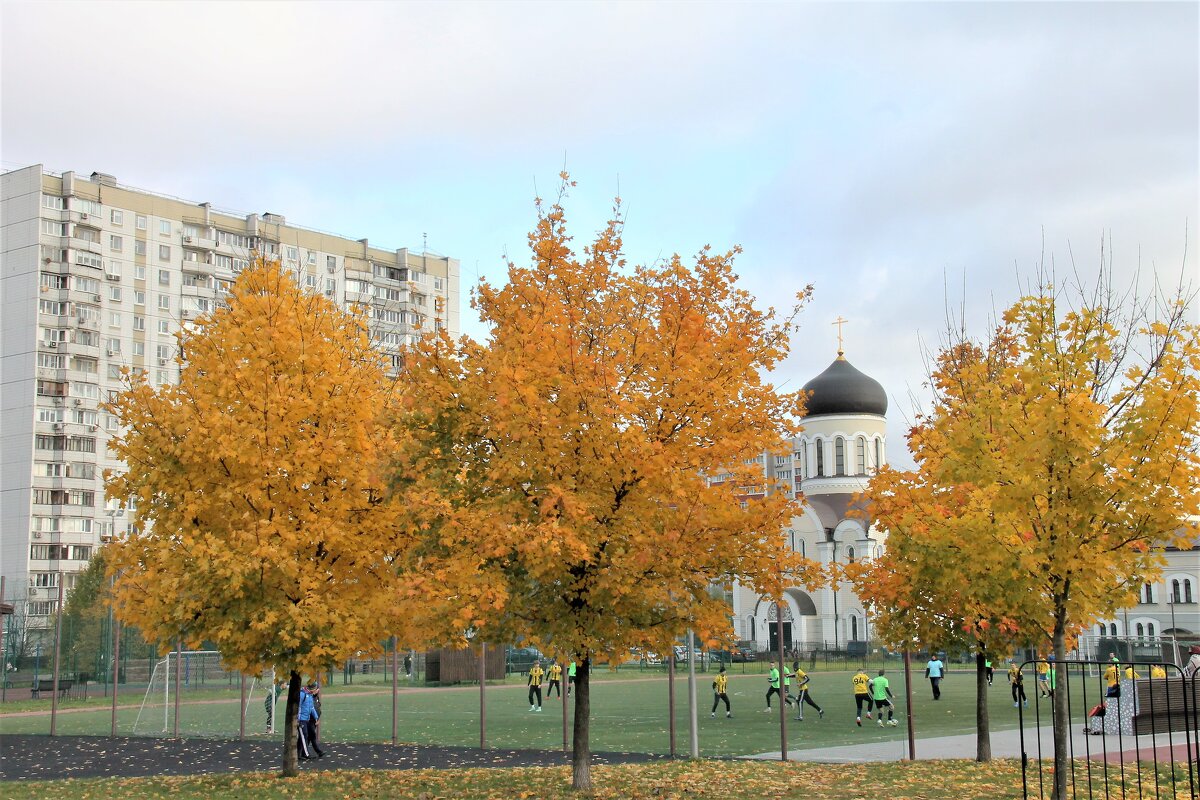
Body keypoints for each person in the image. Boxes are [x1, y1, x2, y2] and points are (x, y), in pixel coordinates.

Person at [297, 682, 324, 759]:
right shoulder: (303, 694)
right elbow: (299, 707)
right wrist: (298, 719)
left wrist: (316, 718)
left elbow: (311, 708)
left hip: (306, 719)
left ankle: (300, 754)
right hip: (301, 719)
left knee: (304, 736)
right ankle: (306, 754)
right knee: (304, 735)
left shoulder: (310, 695)